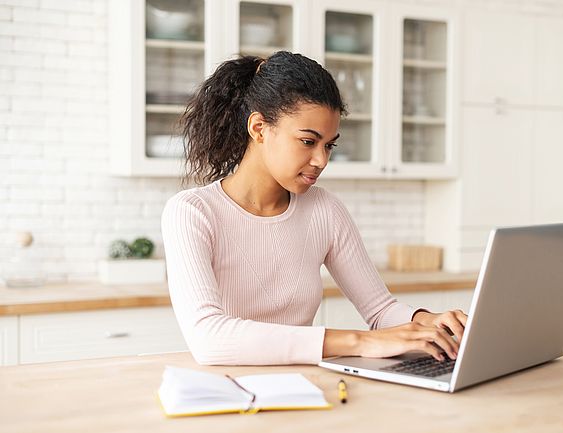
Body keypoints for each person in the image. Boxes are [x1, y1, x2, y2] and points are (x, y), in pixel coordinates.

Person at [161, 51, 467, 366]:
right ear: (259, 128)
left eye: (329, 145)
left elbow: (380, 311)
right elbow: (209, 338)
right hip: (226, 395)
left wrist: (429, 321)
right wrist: (359, 341)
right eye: (309, 141)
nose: (321, 160)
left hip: (304, 388)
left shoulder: (324, 209)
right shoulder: (192, 212)